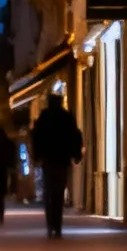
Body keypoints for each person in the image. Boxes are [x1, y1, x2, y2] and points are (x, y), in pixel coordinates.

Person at [30, 93, 83, 238]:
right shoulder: (66, 117)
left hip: (48, 160)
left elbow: (36, 137)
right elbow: (75, 135)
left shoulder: (44, 117)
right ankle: (57, 225)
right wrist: (76, 155)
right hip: (62, 159)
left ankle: (50, 224)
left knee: (49, 192)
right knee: (59, 192)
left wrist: (37, 156)